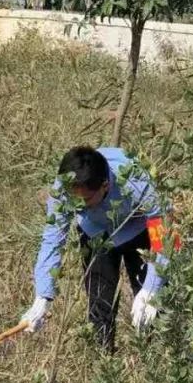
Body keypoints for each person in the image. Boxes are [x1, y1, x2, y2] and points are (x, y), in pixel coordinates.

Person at [21, 146, 172, 350]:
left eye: (85, 200)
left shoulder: (136, 180)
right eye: (74, 199)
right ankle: (103, 359)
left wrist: (151, 288)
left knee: (153, 307)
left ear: (105, 186)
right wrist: (42, 296)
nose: (78, 205)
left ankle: (157, 357)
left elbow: (166, 234)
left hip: (138, 229)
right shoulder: (63, 188)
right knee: (100, 304)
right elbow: (52, 240)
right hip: (95, 233)